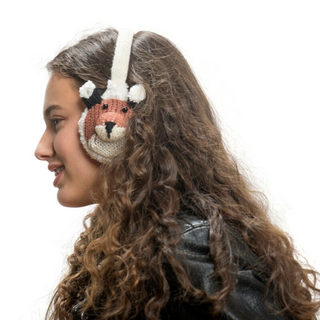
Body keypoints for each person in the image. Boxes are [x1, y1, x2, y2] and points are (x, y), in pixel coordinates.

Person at [35, 28, 320, 320]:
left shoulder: (189, 247)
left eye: (57, 122)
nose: (41, 149)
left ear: (116, 125)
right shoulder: (124, 247)